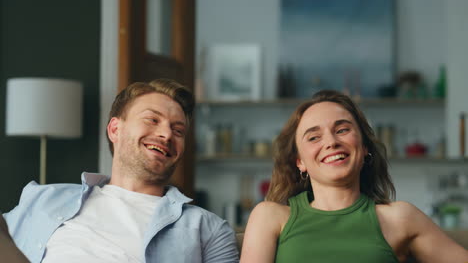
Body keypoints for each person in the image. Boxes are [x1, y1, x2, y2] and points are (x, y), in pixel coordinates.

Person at [3, 79, 239, 263]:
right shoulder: (42, 198)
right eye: (152, 120)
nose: (167, 135)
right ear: (115, 129)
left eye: (178, 131)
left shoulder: (207, 229)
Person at [240, 90, 468, 262]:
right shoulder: (269, 216)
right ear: (299, 162)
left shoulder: (400, 218)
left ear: (365, 146)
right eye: (313, 137)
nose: (331, 142)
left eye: (342, 130)